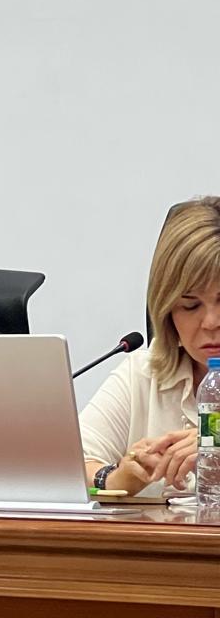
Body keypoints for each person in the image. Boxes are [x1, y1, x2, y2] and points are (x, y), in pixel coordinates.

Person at [80, 197, 220, 495]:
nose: (210, 322)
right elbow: (67, 463)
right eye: (190, 305)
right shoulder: (143, 373)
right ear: (167, 312)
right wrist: (112, 478)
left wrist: (214, 442)